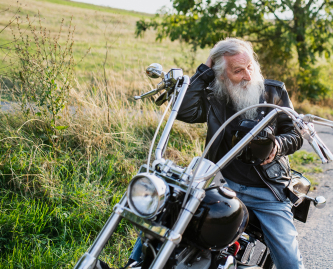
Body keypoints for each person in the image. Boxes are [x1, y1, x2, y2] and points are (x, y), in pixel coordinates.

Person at [125, 38, 305, 269]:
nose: (248, 75)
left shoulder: (273, 92)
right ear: (221, 75)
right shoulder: (215, 96)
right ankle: (136, 263)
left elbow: (295, 133)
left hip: (266, 190)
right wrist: (205, 71)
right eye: (238, 70)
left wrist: (277, 146)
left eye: (250, 67)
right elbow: (185, 111)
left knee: (290, 261)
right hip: (219, 184)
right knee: (166, 214)